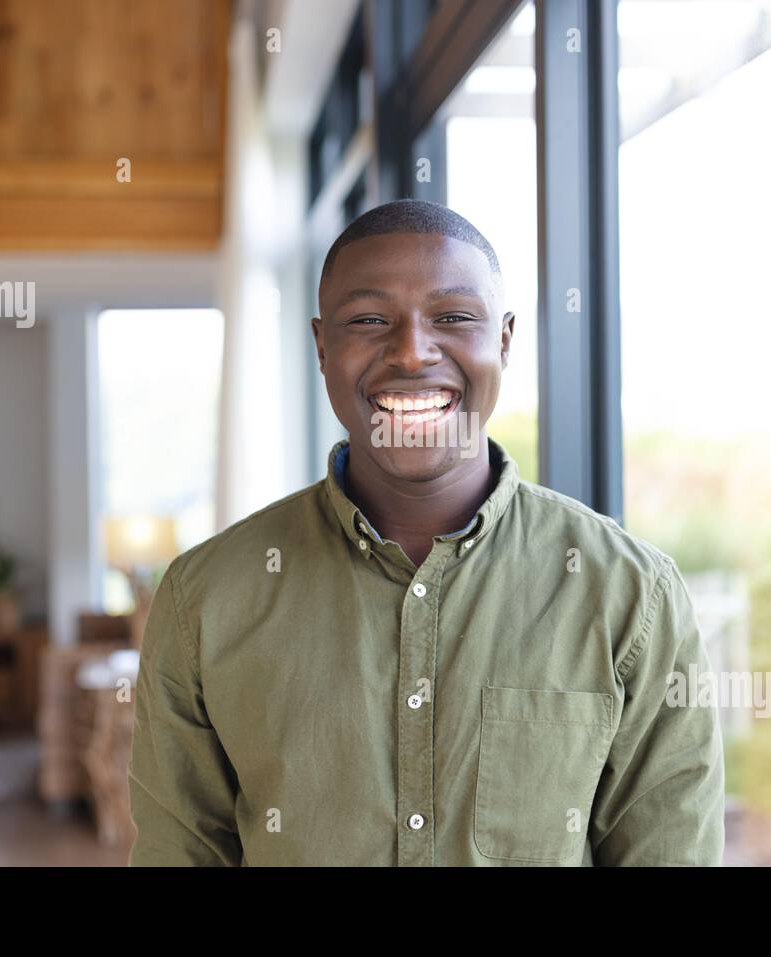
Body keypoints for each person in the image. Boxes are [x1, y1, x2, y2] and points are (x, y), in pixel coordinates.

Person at [128, 199, 724, 866]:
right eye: (370, 320)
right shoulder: (204, 597)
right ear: (322, 346)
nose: (411, 351)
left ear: (503, 340)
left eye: (453, 317)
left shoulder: (631, 595)